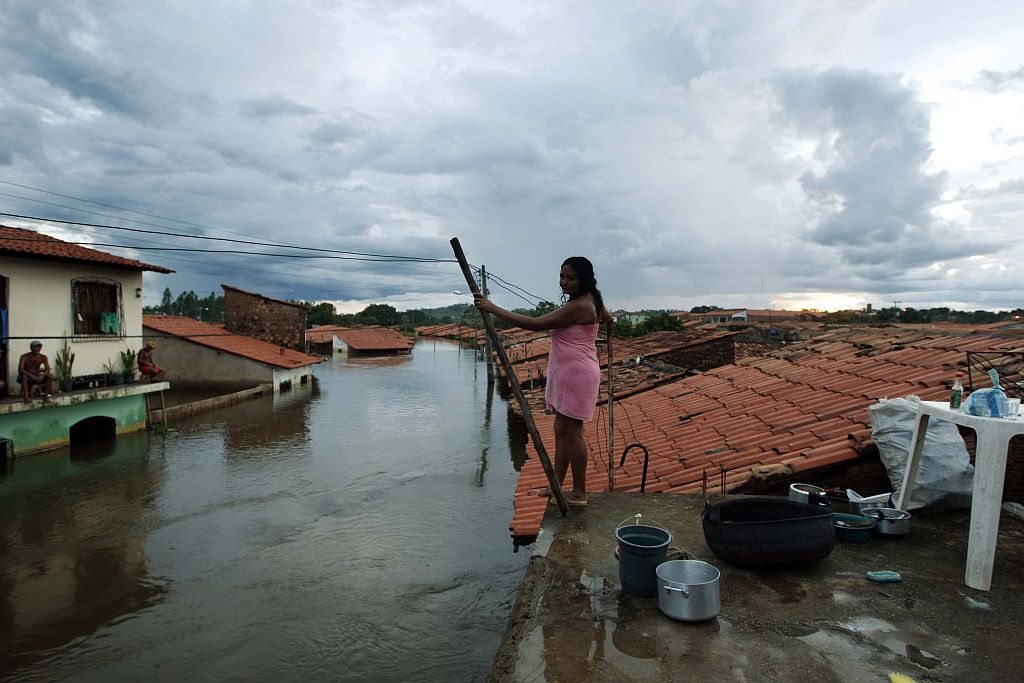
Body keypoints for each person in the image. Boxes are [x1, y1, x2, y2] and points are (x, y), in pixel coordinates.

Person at [474, 256, 611, 507]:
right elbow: (608, 317)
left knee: (574, 432)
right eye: (562, 277)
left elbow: (535, 324)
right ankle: (556, 485)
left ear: (584, 280)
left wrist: (493, 308)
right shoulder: (591, 302)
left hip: (576, 374)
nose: (564, 282)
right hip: (568, 372)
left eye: (570, 278)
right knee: (561, 430)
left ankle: (579, 492)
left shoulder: (580, 305)